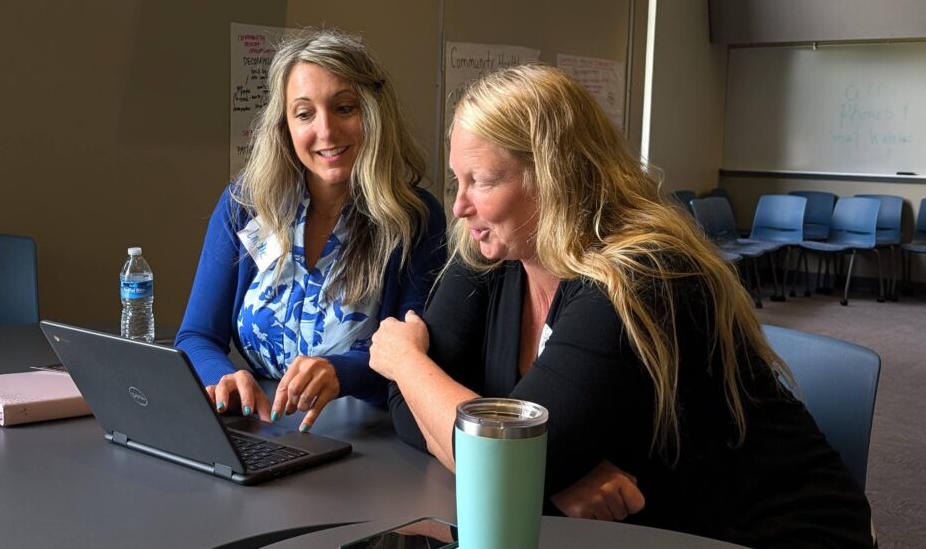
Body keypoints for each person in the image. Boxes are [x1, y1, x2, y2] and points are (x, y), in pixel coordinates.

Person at [370, 64, 873, 548]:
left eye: (481, 180)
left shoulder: (642, 274)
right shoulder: (490, 250)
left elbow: (490, 444)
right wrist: (546, 473)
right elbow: (408, 407)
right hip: (642, 530)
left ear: (554, 177)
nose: (459, 205)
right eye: (458, 180)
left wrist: (406, 361)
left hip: (761, 532)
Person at [176, 29, 446, 432]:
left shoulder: (415, 218)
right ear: (284, 125)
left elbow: (415, 357)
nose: (325, 131)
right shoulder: (245, 205)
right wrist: (223, 377)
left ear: (372, 113)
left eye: (344, 108)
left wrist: (342, 372)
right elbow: (196, 335)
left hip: (371, 444)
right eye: (304, 113)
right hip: (261, 430)